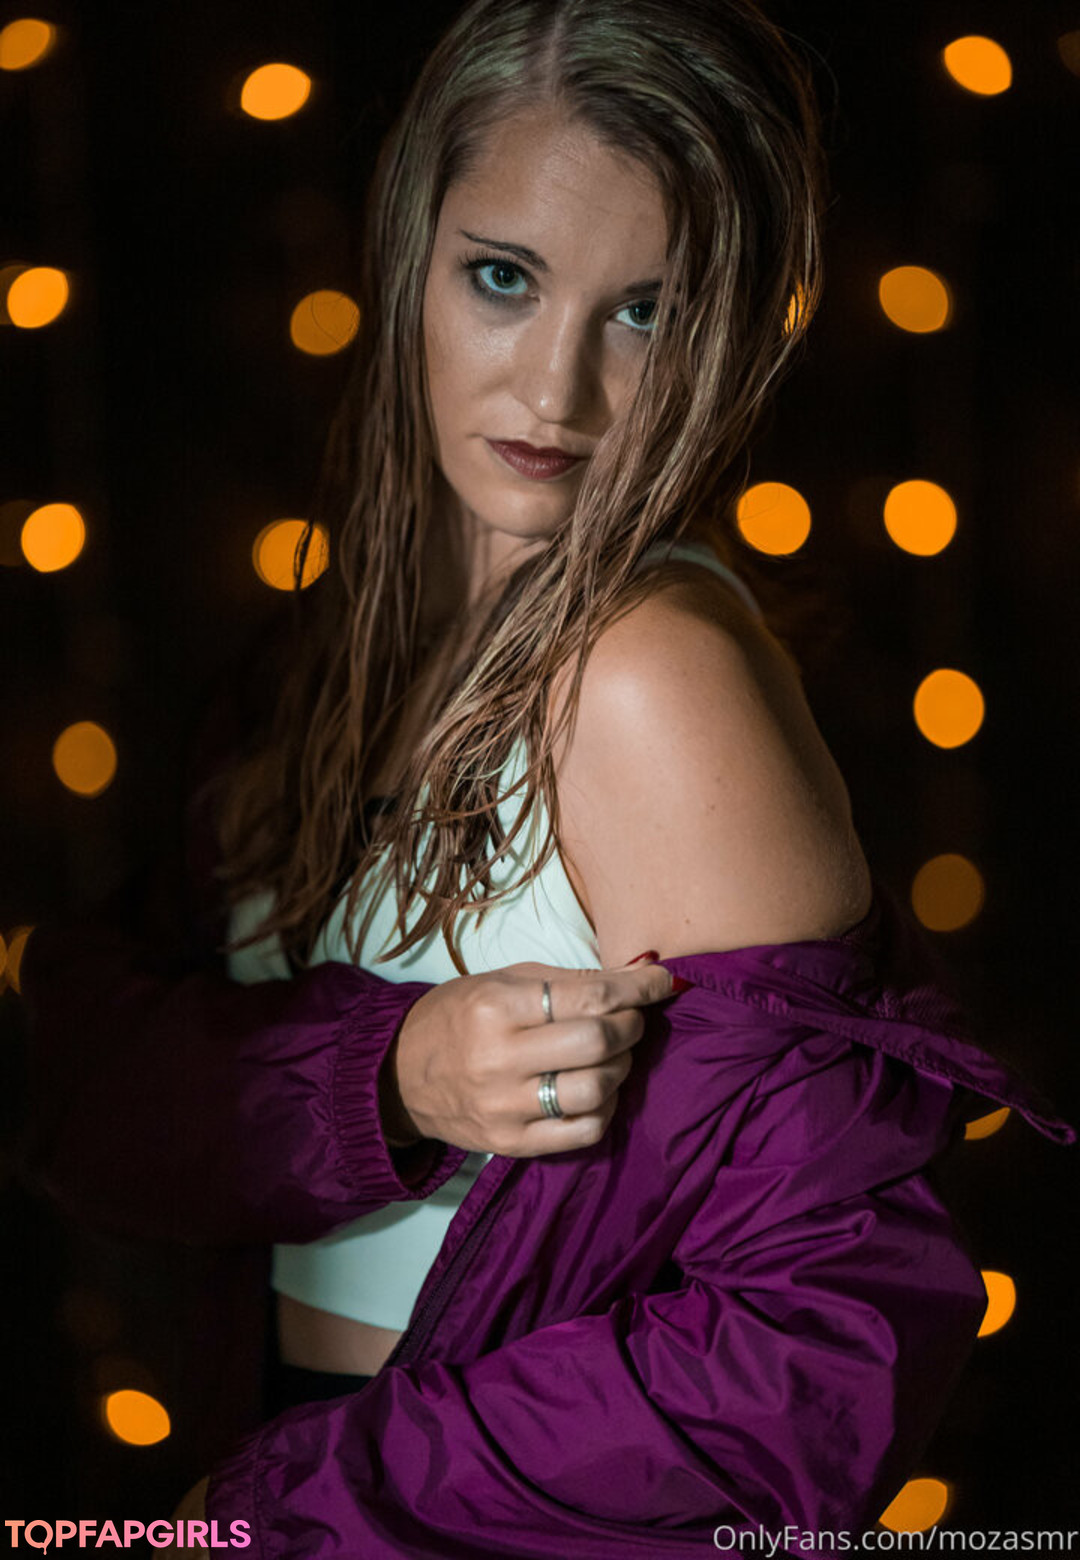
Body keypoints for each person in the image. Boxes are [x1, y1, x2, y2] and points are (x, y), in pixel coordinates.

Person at [17, 0, 1073, 1555]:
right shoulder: (314, 670)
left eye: (644, 312)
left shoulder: (646, 680)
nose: (556, 394)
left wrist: (291, 1515)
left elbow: (813, 1350)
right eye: (504, 278)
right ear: (410, 252)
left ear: (728, 333)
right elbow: (82, 1097)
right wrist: (390, 1078)